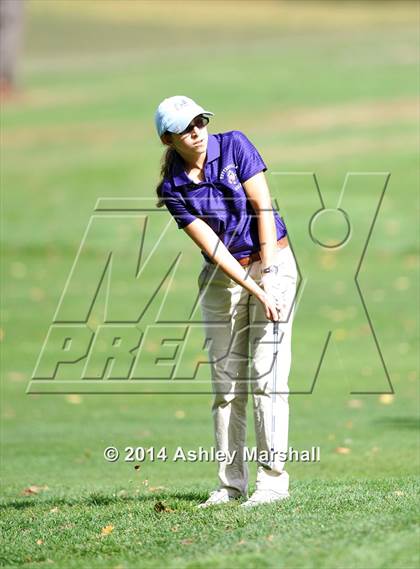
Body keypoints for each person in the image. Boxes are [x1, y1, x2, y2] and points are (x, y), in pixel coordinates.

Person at [154, 96, 298, 508]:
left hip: (273, 262)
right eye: (186, 127)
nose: (197, 130)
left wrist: (268, 276)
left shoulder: (235, 145)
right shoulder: (174, 188)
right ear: (169, 139)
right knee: (227, 385)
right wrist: (253, 290)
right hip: (224, 278)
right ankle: (230, 485)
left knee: (266, 376)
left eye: (200, 121)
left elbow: (263, 208)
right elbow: (215, 250)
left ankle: (272, 483)